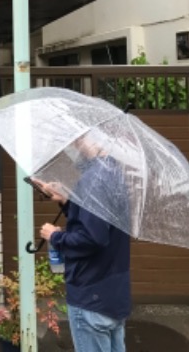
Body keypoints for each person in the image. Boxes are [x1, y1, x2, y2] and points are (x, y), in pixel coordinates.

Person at [37, 133, 131, 352]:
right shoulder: (113, 173)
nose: (74, 147)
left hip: (91, 295)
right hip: (112, 294)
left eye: (77, 140)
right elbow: (99, 223)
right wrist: (67, 201)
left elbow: (92, 238)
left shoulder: (93, 180)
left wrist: (55, 236)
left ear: (91, 139)